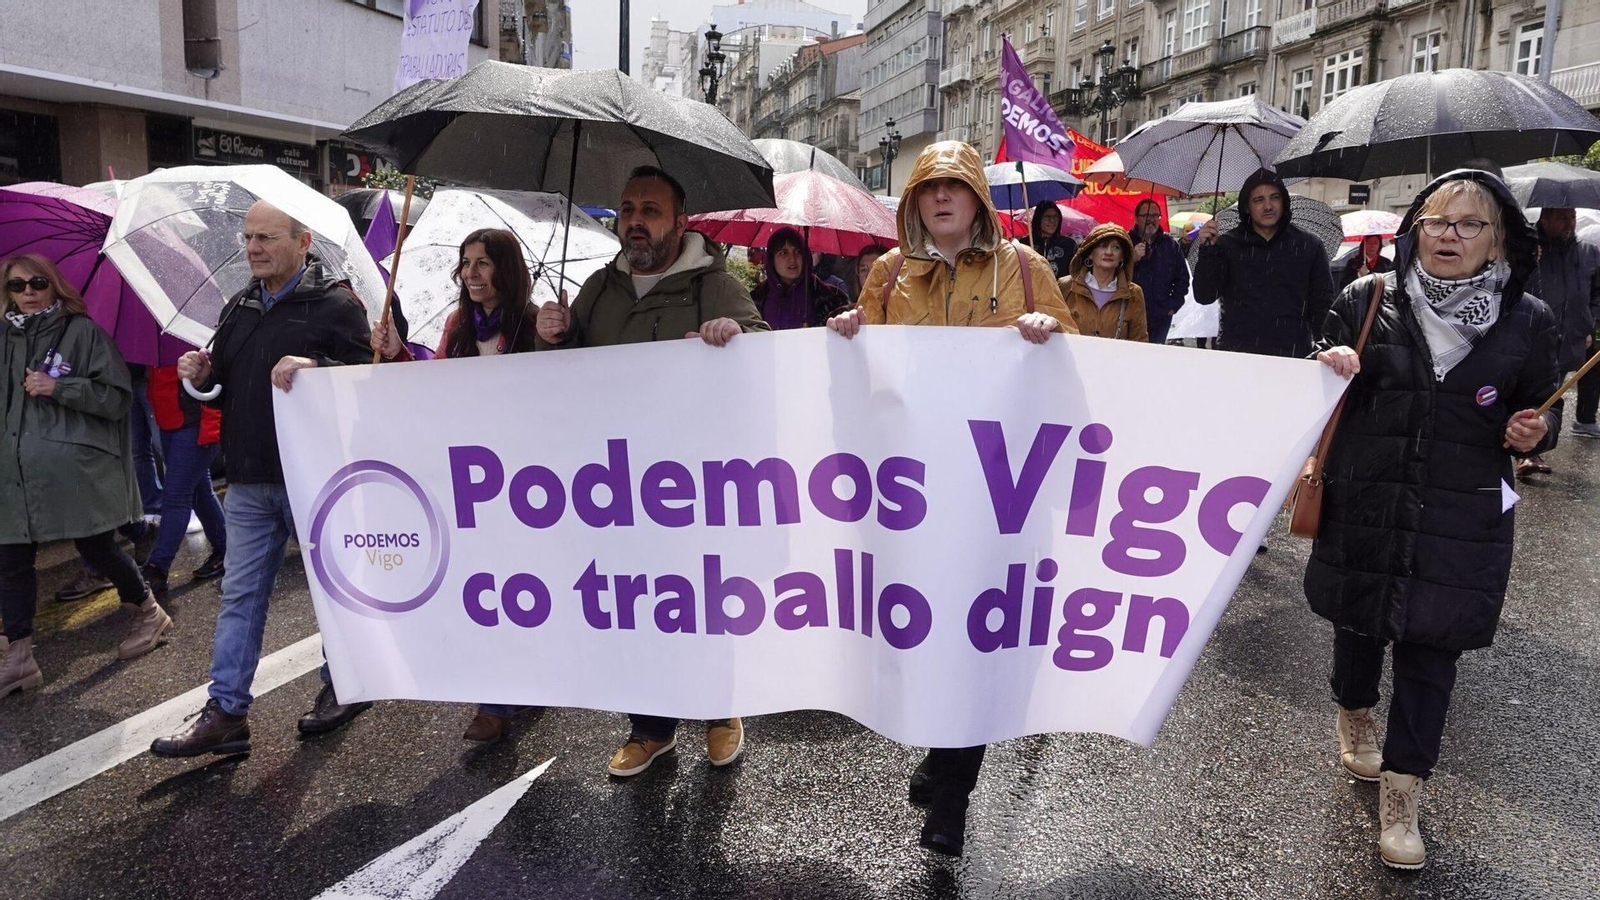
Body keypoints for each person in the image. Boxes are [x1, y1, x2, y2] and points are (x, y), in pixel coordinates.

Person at [827, 140, 1075, 857]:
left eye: (954, 188)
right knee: (925, 632)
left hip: (997, 493)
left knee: (978, 640)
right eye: (928, 189)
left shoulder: (1025, 271)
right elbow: (859, 375)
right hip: (913, 493)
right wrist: (849, 332)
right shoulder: (888, 274)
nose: (941, 199)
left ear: (975, 200)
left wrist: (1052, 333)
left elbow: (1082, 362)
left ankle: (954, 799)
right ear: (913, 203)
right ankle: (940, 751)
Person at [1309, 170, 1558, 871]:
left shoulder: (1527, 319)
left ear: (1500, 238)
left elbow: (1546, 406)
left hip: (1464, 509)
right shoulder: (1368, 298)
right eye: (1436, 222)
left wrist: (1534, 431)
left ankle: (1403, 789)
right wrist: (1326, 365)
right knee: (1358, 627)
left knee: (1432, 651)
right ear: (1414, 231)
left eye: (1468, 224)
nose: (1449, 236)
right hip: (1369, 498)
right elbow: (1313, 388)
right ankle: (1353, 711)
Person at [535, 165, 768, 776]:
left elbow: (767, 349)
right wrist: (551, 338)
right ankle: (650, 727)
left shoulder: (711, 283)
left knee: (702, 599)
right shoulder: (597, 289)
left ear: (679, 222)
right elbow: (554, 379)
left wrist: (734, 332)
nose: (636, 221)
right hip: (615, 486)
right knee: (638, 606)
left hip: (692, 484)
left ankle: (721, 711)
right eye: (628, 208)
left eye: (651, 210)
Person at [151, 201, 375, 758]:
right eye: (249, 237)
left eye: (267, 238)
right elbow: (220, 380)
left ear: (302, 244)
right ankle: (226, 712)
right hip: (250, 480)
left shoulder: (336, 305)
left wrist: (319, 370)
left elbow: (368, 384)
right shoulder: (239, 306)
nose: (253, 247)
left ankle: (345, 685)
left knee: (335, 595)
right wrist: (199, 375)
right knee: (240, 595)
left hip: (317, 480)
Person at [374, 228, 540, 744]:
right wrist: (399, 353)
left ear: (505, 270)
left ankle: (524, 680)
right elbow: (435, 388)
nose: (471, 273)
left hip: (531, 481)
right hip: (474, 482)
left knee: (528, 586)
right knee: (491, 586)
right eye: (465, 263)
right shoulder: (458, 325)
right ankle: (495, 700)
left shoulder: (534, 326)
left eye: (483, 263)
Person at [1, 254, 172, 697]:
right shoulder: (3, 338)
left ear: (54, 283)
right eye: (17, 285)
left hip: (72, 469)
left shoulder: (84, 333)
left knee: (97, 546)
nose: (28, 292)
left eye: (37, 282)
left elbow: (116, 399)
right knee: (11, 558)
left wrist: (58, 387)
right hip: (13, 471)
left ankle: (147, 610)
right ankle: (19, 656)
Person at [1194, 168, 1336, 358]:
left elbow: (1322, 306)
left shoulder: (1309, 245)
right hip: (1237, 356)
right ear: (1247, 207)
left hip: (1293, 357)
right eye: (1258, 200)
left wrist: (1327, 350)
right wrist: (1208, 251)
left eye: (1274, 197)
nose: (1268, 206)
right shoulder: (1227, 244)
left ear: (1284, 201)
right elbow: (1204, 295)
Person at [1519, 207, 1600, 473]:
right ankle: (1529, 452)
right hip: (1535, 335)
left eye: (1573, 217)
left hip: (1572, 337)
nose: (1570, 223)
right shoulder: (1528, 247)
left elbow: (1596, 292)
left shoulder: (1588, 251)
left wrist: (1589, 324)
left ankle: (1533, 448)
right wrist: (1529, 256)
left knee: (1554, 392)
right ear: (1544, 219)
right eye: (1563, 217)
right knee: (1537, 392)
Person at [138, 364, 227, 600]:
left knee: (176, 497)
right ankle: (227, 551)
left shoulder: (191, 331)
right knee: (199, 491)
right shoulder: (154, 336)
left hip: (197, 421)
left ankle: (157, 567)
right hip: (171, 419)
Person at [1058, 223, 1149, 341]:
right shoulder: (1066, 286)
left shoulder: (1134, 294)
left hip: (1115, 359)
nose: (1109, 252)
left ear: (1122, 257)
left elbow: (1140, 340)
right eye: (1102, 246)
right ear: (1090, 253)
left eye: (1116, 247)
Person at [750, 227, 851, 329]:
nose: (792, 259)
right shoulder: (756, 299)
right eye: (784, 253)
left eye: (798, 251)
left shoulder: (832, 298)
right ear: (772, 260)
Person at [1130, 199, 1189, 343]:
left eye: (1155, 216)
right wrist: (1132, 259)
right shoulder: (1125, 242)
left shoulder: (1171, 245)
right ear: (1137, 218)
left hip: (1161, 316)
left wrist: (1172, 306)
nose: (1151, 220)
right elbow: (1113, 275)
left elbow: (1182, 279)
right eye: (1146, 216)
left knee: (1155, 357)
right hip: (1130, 314)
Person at [1029, 200, 1078, 279]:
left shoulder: (1068, 245)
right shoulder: (1024, 244)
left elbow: (1076, 274)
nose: (1052, 221)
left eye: (1055, 217)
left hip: (1061, 290)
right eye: (1047, 217)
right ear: (1038, 219)